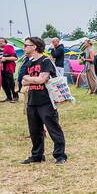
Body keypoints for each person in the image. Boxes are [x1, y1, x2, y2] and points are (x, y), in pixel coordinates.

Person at [18, 36, 66, 164]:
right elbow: (23, 81)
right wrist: (32, 79)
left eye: (26, 45)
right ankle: (37, 155)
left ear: (34, 47)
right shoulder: (29, 62)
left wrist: (30, 78)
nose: (23, 47)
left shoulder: (45, 61)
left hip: (46, 101)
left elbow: (42, 80)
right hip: (32, 100)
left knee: (53, 128)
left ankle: (60, 155)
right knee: (34, 130)